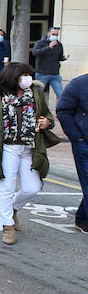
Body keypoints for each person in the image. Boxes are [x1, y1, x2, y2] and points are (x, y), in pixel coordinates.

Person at [0, 63, 56, 245]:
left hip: (30, 147)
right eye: (24, 75)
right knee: (6, 187)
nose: (28, 79)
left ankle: (12, 209)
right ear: (12, 77)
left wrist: (46, 122)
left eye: (29, 75)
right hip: (7, 147)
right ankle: (7, 226)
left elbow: (48, 116)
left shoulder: (35, 94)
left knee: (32, 187)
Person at [56, 73, 88, 234]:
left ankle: (83, 218)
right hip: (84, 144)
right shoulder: (79, 84)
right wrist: (77, 137)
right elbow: (63, 111)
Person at [32, 25, 68, 99]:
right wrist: (48, 47)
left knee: (61, 95)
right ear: (48, 33)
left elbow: (59, 57)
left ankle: (62, 110)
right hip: (42, 73)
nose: (55, 36)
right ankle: (38, 110)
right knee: (38, 96)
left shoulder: (59, 45)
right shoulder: (40, 43)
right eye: (53, 34)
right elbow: (35, 53)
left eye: (57, 35)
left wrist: (64, 57)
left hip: (55, 74)